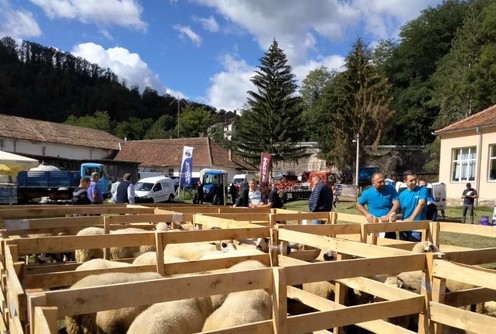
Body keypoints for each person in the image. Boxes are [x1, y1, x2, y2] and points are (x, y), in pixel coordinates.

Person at [357, 172, 399, 239]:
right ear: (373, 183)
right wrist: (367, 214)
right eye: (379, 182)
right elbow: (359, 204)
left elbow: (396, 204)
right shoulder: (367, 193)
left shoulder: (390, 188)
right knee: (374, 245)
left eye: (383, 181)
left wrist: (388, 215)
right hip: (374, 223)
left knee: (391, 245)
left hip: (388, 223)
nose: (382, 183)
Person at [398, 171, 428, 241]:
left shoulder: (422, 189)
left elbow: (421, 204)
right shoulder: (402, 194)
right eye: (411, 180)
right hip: (404, 227)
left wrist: (411, 219)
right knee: (403, 250)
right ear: (405, 181)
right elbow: (402, 213)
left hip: (417, 228)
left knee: (415, 249)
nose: (414, 182)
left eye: (415, 179)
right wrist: (395, 216)